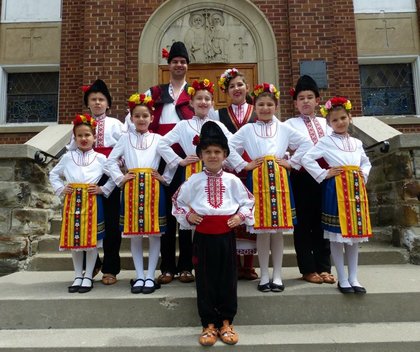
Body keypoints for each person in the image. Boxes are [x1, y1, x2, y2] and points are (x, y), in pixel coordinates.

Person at [172, 121, 255, 346]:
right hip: (203, 237)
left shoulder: (232, 180)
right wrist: (188, 216)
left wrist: (240, 216)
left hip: (226, 236)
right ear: (200, 155)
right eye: (207, 152)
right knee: (205, 280)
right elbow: (177, 202)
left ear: (225, 155)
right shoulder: (194, 181)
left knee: (228, 278)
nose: (212, 156)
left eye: (217, 152)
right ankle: (208, 323)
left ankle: (226, 321)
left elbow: (249, 201)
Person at [228, 83, 313, 293]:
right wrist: (243, 165)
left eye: (269, 104)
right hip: (257, 180)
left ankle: (277, 275)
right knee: (263, 231)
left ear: (275, 106)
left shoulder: (283, 128)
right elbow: (228, 146)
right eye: (261, 105)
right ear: (254, 106)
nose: (265, 108)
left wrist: (292, 162)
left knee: (278, 232)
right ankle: (264, 274)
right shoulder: (248, 129)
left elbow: (306, 143)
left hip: (280, 182)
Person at [157, 78, 233, 284]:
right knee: (183, 221)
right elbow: (162, 144)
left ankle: (191, 266)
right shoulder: (183, 125)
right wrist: (179, 160)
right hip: (189, 175)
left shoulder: (218, 125)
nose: (203, 102)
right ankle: (171, 267)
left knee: (203, 220)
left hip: (212, 175)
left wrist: (234, 165)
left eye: (207, 99)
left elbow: (232, 148)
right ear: (191, 102)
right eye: (199, 98)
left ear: (212, 103)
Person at [105, 93, 175, 294]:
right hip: (132, 188)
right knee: (134, 235)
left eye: (145, 115)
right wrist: (120, 178)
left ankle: (151, 275)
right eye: (137, 116)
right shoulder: (125, 139)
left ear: (152, 118)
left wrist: (165, 178)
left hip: (154, 188)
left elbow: (173, 161)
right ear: (131, 118)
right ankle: (139, 275)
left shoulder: (158, 139)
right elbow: (110, 161)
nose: (142, 119)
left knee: (154, 233)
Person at [301, 97, 372, 294]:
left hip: (356, 190)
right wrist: (324, 173)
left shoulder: (357, 142)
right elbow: (307, 158)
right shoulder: (325, 141)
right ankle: (342, 277)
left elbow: (366, 162)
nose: (340, 122)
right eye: (335, 120)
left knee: (354, 237)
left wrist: (362, 173)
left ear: (350, 117)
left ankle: (354, 277)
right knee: (337, 236)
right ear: (329, 123)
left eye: (343, 118)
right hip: (337, 189)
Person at [49, 114, 115, 293]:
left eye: (87, 135)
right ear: (74, 137)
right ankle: (78, 274)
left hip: (92, 201)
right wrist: (61, 188)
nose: (84, 139)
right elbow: (53, 174)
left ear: (94, 137)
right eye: (80, 135)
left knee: (91, 241)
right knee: (75, 240)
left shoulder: (101, 158)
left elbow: (114, 176)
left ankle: (88, 276)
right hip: (72, 202)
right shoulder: (68, 157)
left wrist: (103, 189)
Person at [147, 41, 195, 285]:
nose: (179, 65)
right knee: (165, 215)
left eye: (183, 62)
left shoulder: (195, 94)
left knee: (185, 215)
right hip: (162, 164)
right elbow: (139, 124)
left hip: (189, 165)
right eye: (175, 61)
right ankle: (167, 267)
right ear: (169, 65)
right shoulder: (155, 94)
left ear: (187, 65)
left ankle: (186, 265)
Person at [284, 75, 335, 285]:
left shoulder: (327, 123)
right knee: (303, 224)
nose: (306, 101)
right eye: (301, 98)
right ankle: (307, 268)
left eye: (310, 97)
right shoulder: (289, 124)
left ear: (317, 100)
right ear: (295, 103)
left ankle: (324, 267)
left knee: (323, 222)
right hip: (302, 178)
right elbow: (284, 148)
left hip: (325, 178)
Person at [81, 79, 124, 286]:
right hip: (87, 176)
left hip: (109, 176)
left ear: (108, 103)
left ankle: (110, 268)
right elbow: (71, 150)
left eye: (101, 99)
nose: (97, 103)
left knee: (112, 224)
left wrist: (111, 181)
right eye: (93, 99)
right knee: (85, 222)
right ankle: (91, 264)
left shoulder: (116, 124)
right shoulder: (81, 125)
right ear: (88, 103)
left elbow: (124, 150)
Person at [216, 68, 258, 281]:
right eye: (231, 86)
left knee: (249, 214)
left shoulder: (257, 110)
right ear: (226, 91)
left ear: (247, 87)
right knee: (231, 215)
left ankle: (248, 266)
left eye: (240, 85)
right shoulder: (219, 114)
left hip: (253, 169)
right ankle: (232, 264)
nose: (236, 89)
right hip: (231, 169)